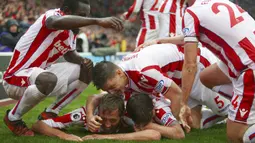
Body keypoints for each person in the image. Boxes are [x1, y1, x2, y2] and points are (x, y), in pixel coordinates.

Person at [3, 0, 123, 136]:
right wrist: (96, 21)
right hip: (15, 77)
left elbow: (69, 55)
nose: (83, 20)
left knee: (85, 69)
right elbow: (53, 22)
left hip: (38, 76)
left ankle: (51, 112)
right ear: (66, 10)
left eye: (86, 16)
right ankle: (13, 118)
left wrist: (84, 61)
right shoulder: (52, 15)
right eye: (81, 15)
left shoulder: (71, 33)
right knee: (48, 79)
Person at [91, 43, 231, 131]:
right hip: (179, 81)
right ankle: (221, 115)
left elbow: (175, 94)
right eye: (109, 89)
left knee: (230, 112)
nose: (113, 92)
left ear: (119, 73)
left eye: (113, 87)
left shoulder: (143, 71)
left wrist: (173, 124)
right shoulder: (122, 75)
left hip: (197, 71)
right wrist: (90, 115)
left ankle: (237, 111)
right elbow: (95, 98)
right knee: (194, 124)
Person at [180, 0, 255, 142]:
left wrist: (183, 103)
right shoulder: (220, 1)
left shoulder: (191, 13)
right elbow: (190, 37)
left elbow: (190, 64)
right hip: (247, 54)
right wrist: (161, 41)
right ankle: (243, 105)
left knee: (235, 136)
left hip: (249, 67)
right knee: (207, 77)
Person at [32, 93, 161, 141]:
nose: (108, 124)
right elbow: (38, 125)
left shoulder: (130, 115)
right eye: (103, 119)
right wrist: (65, 136)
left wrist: (102, 137)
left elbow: (155, 134)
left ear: (122, 115)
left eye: (113, 120)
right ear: (98, 112)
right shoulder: (83, 115)